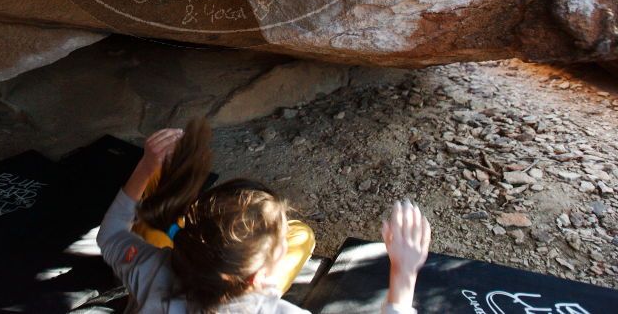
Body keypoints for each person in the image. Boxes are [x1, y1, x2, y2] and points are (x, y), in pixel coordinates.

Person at [97, 120, 431, 313]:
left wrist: (146, 167)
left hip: (182, 271)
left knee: (154, 190)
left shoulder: (151, 269)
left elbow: (109, 233)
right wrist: (404, 274)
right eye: (278, 247)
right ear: (259, 280)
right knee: (304, 236)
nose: (283, 240)